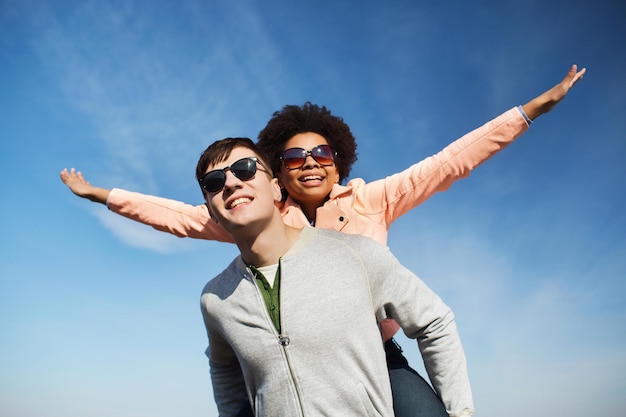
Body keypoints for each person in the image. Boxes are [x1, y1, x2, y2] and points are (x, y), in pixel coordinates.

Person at [60, 64, 586, 416]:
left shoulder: (374, 199)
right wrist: (103, 195)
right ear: (275, 173)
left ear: (339, 161)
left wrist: (531, 110)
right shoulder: (259, 217)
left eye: (322, 154)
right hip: (298, 369)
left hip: (377, 358)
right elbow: (179, 216)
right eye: (293, 158)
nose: (310, 163)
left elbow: (450, 162)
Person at [197, 137, 473, 417]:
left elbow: (434, 321)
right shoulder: (215, 299)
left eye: (245, 169)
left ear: (276, 188)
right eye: (214, 182)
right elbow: (223, 369)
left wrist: (460, 411)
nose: (231, 183)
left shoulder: (357, 255)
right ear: (211, 211)